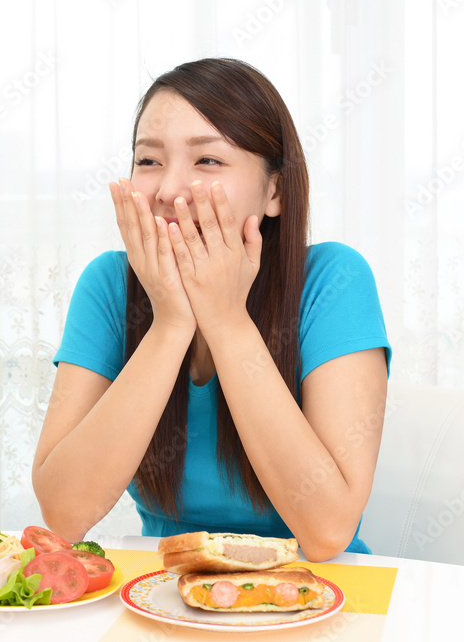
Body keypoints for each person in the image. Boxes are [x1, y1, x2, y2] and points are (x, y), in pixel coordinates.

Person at [31, 58, 391, 562]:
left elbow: (328, 531)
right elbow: (65, 514)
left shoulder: (333, 281)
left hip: (317, 592)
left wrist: (225, 321)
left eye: (208, 161)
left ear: (275, 191)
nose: (170, 191)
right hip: (164, 589)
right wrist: (172, 323)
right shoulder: (109, 286)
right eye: (149, 161)